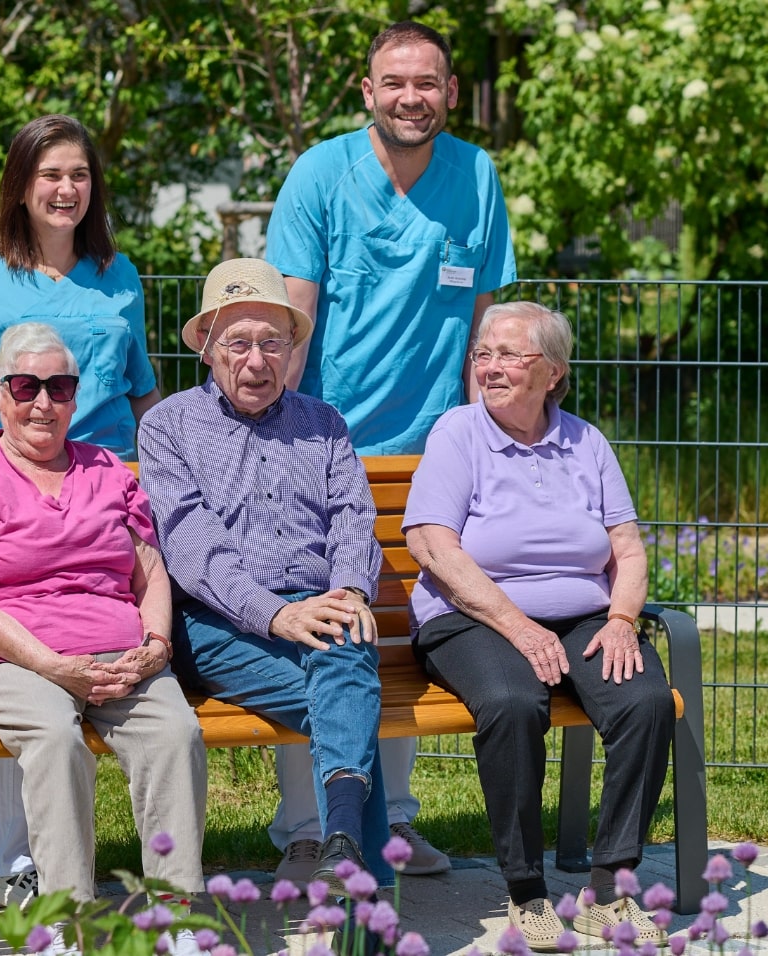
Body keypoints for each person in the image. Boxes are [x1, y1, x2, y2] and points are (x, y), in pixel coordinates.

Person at [263, 18, 518, 885]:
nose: (412, 96)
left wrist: (487, 432)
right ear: (368, 92)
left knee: (405, 627)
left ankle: (397, 826)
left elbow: (484, 318)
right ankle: (303, 827)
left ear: (449, 93)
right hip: (321, 444)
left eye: (429, 83)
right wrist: (277, 434)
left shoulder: (476, 178)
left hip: (432, 452)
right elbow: (292, 313)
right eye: (394, 82)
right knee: (323, 626)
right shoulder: (320, 176)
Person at [0, 114, 161, 909]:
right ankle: (14, 867)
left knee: (95, 654)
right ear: (21, 186)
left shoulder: (119, 276)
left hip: (105, 498)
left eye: (79, 176)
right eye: (50, 174)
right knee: (23, 663)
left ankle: (48, 875)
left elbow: (142, 387)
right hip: (13, 498)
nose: (66, 189)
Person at [0, 323, 206, 956]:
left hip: (118, 654)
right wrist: (54, 666)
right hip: (9, 657)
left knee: (175, 733)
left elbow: (150, 570)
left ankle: (172, 916)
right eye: (26, 385)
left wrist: (157, 642)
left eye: (60, 386)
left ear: (77, 397)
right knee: (54, 736)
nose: (43, 401)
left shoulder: (108, 470)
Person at [401, 301, 674, 951]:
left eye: (508, 355)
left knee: (645, 700)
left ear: (552, 371)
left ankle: (610, 887)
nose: (489, 367)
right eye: (483, 354)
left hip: (583, 612)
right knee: (512, 701)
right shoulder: (457, 434)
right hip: (473, 615)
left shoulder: (587, 442)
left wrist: (621, 619)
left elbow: (628, 552)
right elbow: (432, 545)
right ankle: (526, 889)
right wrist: (519, 628)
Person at [137, 256, 393, 901]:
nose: (257, 360)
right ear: (207, 350)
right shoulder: (167, 427)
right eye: (239, 343)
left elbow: (353, 521)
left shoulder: (323, 423)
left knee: (344, 655)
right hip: (216, 624)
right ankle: (365, 884)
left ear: (291, 350)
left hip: (322, 609)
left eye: (272, 343)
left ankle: (341, 848)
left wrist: (350, 591)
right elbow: (192, 547)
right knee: (350, 696)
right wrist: (276, 614)